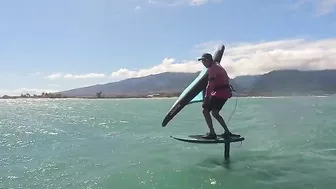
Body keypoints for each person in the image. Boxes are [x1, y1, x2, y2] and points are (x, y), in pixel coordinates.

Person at [197, 52, 240, 139]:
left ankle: (212, 133)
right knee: (215, 113)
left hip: (220, 93)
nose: (203, 63)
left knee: (205, 111)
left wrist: (206, 99)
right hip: (225, 93)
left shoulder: (212, 69)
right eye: (202, 62)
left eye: (204, 61)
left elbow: (210, 85)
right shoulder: (217, 65)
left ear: (208, 60)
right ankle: (227, 132)